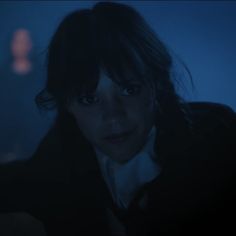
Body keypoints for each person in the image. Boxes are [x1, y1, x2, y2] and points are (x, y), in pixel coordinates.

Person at [0, 2, 235, 236]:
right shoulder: (57, 157)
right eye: (88, 99)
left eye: (129, 90)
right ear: (67, 104)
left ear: (156, 85)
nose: (113, 116)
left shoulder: (217, 144)